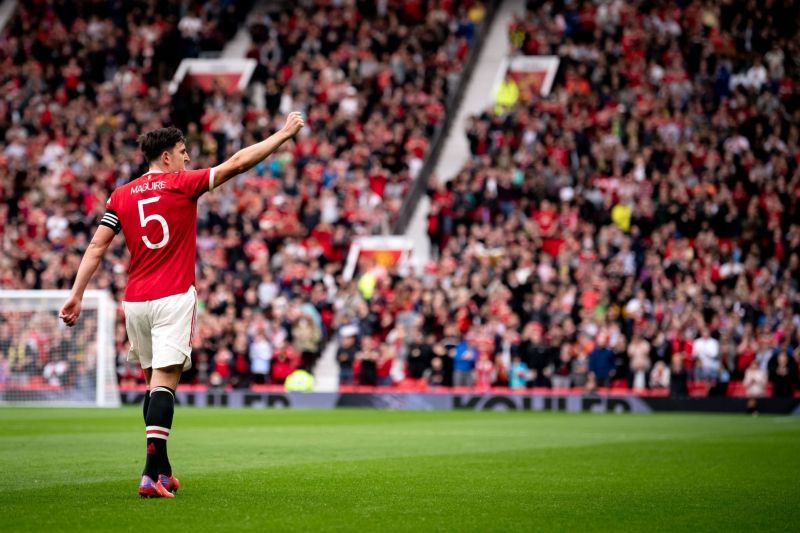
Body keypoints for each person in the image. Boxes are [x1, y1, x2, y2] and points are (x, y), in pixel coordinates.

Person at [58, 112, 305, 498]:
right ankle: (147, 475)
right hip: (173, 296)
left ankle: (164, 470)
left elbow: (96, 246)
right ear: (167, 158)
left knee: (154, 388)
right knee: (164, 388)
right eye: (184, 152)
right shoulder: (181, 184)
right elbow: (237, 163)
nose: (189, 158)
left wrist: (76, 294)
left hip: (135, 302)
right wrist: (284, 135)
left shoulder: (120, 195)